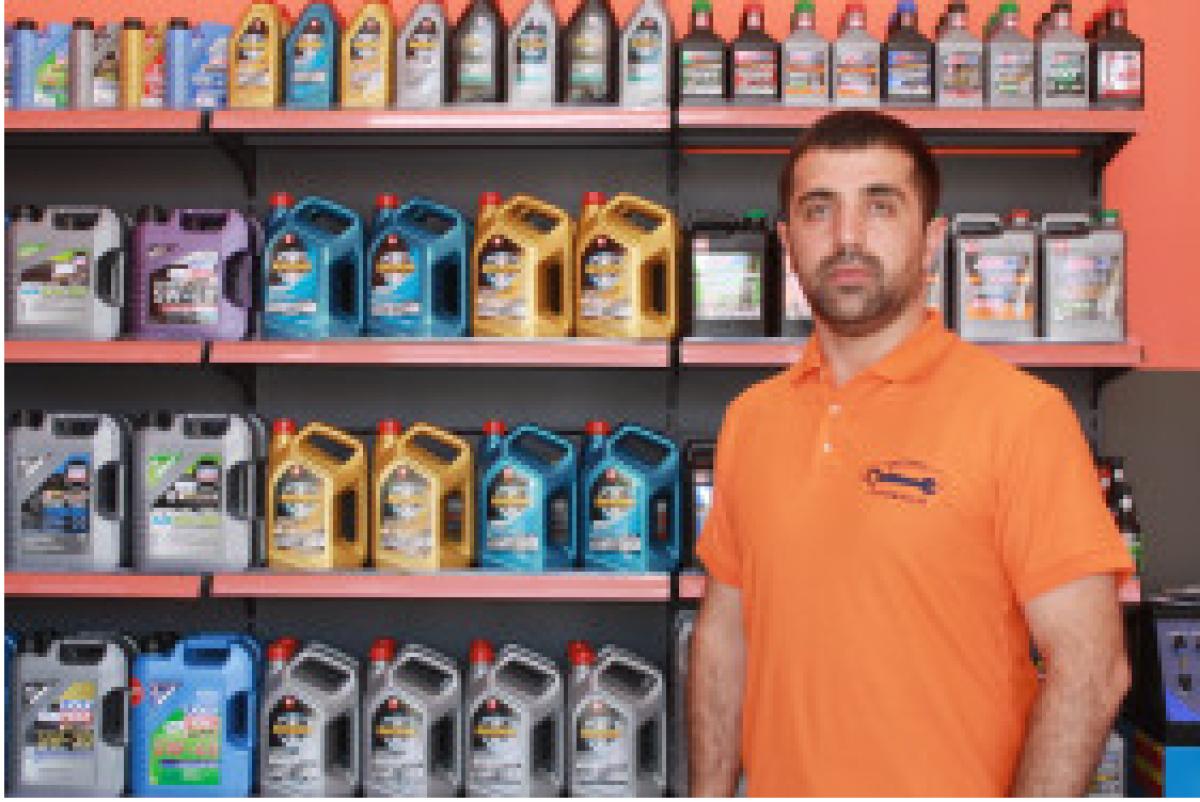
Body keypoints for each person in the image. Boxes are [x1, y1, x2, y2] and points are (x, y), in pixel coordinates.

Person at [689, 110, 1133, 797]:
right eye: (818, 209)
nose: (847, 236)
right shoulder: (752, 421)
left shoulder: (1021, 418)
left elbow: (1093, 668)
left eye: (880, 206)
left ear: (931, 240)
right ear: (787, 242)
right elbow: (723, 643)